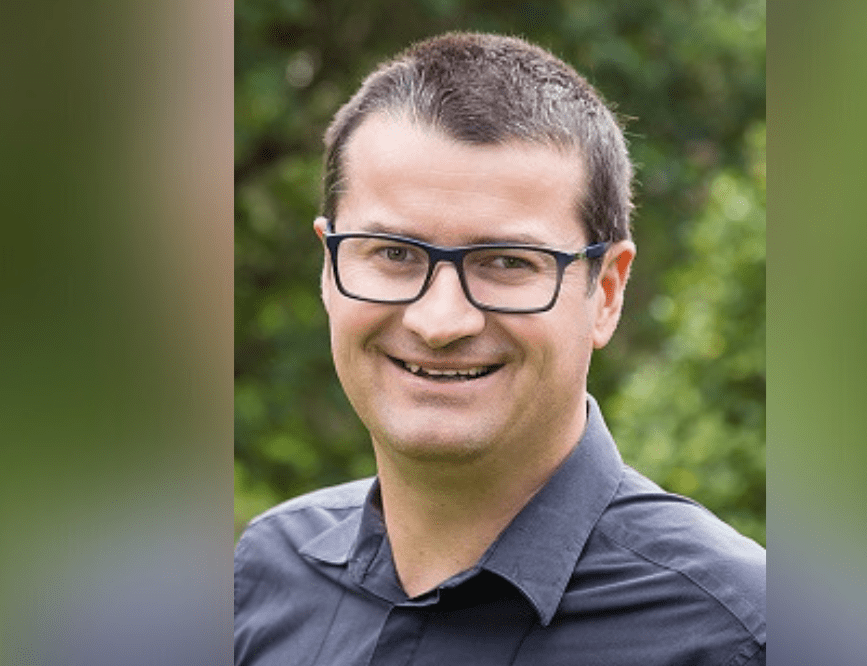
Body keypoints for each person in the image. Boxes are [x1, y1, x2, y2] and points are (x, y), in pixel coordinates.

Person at [234, 32, 765, 665]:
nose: (440, 322)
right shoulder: (264, 577)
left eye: (508, 262)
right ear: (329, 268)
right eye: (395, 253)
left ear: (607, 292)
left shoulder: (742, 637)